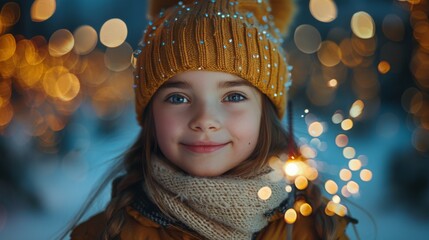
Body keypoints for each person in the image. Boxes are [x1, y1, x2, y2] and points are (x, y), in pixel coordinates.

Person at [69, 0, 355, 239]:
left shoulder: (319, 230)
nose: (205, 120)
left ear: (264, 112)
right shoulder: (105, 234)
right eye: (178, 98)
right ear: (151, 113)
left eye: (233, 97)